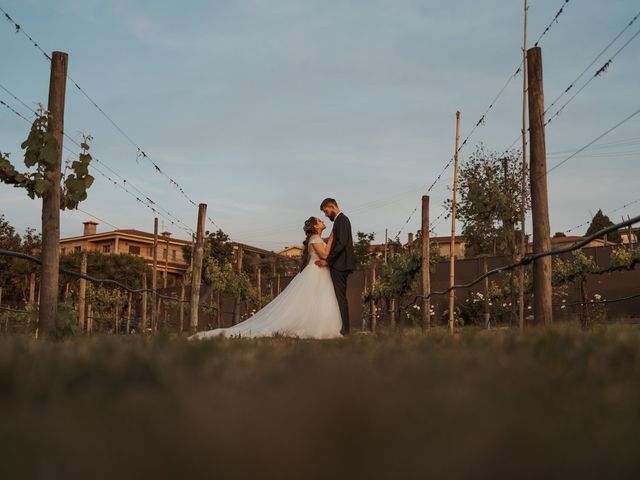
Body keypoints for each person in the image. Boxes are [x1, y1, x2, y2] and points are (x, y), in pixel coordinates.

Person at [190, 216, 342, 339]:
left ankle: (316, 324)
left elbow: (324, 248)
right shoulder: (315, 238)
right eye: (320, 221)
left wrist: (330, 239)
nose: (323, 221)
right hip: (315, 272)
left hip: (318, 272)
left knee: (316, 299)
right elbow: (324, 254)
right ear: (315, 226)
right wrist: (333, 238)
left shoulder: (317, 238)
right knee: (313, 299)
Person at [315, 198, 355, 335]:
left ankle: (345, 330)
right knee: (339, 297)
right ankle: (343, 328)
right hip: (340, 264)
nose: (325, 215)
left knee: (340, 297)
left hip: (340, 265)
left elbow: (342, 243)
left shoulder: (342, 220)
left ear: (332, 206)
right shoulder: (339, 221)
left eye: (326, 211)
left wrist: (328, 261)